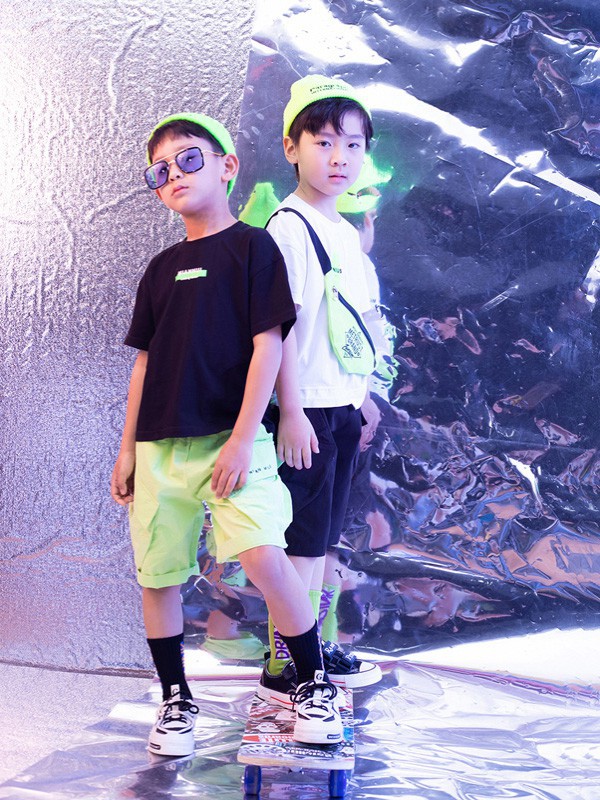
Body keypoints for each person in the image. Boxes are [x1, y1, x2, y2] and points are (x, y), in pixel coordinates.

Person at [110, 112, 343, 757]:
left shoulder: (253, 248)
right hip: (159, 446)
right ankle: (175, 700)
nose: (174, 176)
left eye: (189, 159)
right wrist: (127, 449)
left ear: (227, 166)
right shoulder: (160, 269)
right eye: (160, 171)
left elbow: (270, 344)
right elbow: (145, 363)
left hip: (234, 439)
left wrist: (244, 437)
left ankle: (312, 683)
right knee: (158, 575)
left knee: (265, 555)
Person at [258, 75, 383, 705]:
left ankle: (307, 648)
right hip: (302, 411)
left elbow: (352, 325)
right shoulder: (288, 227)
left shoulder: (345, 233)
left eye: (353, 145)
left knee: (322, 542)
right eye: (325, 142)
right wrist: (291, 412)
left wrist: (362, 397)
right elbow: (277, 329)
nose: (340, 157)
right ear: (292, 147)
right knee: (300, 545)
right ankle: (286, 663)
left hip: (339, 409)